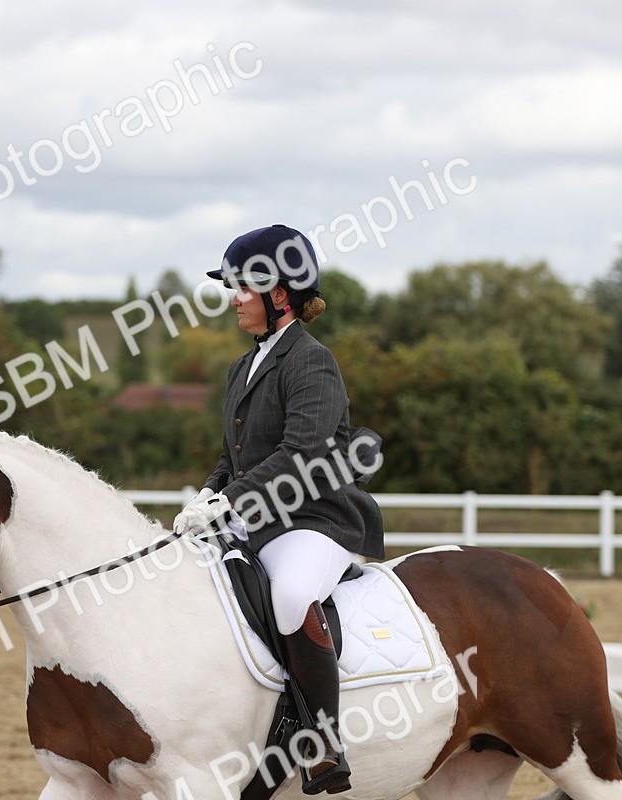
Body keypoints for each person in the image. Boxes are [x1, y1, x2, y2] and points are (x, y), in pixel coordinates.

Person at [173, 224, 385, 796]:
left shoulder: (311, 361)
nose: (233, 298)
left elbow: (304, 453)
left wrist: (232, 500)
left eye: (243, 288)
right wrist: (206, 497)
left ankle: (322, 743)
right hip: (258, 515)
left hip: (316, 517)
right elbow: (232, 456)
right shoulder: (241, 368)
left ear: (280, 294)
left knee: (291, 595)